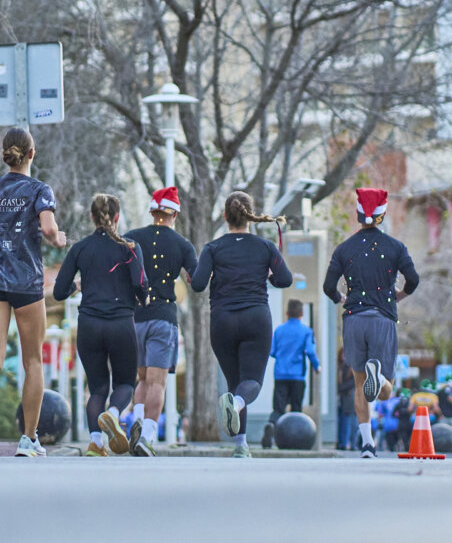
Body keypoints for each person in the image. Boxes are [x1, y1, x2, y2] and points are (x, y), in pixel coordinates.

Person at [0, 127, 66, 458]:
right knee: (32, 361)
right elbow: (48, 228)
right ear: (32, 154)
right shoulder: (39, 190)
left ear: (4, 154)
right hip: (26, 284)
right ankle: (29, 439)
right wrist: (58, 239)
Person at [190, 191, 292, 458]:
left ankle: (241, 445)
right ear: (250, 216)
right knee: (251, 382)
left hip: (222, 320)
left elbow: (198, 284)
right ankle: (235, 406)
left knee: (234, 381)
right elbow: (285, 279)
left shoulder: (213, 248)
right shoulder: (265, 247)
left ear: (225, 216)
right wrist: (268, 275)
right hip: (256, 318)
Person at [322, 187, 418, 459]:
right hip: (382, 319)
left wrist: (342, 298)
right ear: (382, 215)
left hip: (354, 320)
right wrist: (399, 295)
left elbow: (328, 286)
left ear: (358, 214)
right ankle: (380, 377)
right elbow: (413, 279)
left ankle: (367, 444)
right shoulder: (396, 247)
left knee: (359, 384)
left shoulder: (344, 249)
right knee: (385, 391)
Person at [53, 194, 148, 456]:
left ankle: (96, 443)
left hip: (89, 325)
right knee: (125, 383)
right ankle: (113, 414)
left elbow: (59, 291)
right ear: (117, 217)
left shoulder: (80, 248)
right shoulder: (130, 247)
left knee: (97, 388)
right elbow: (140, 283)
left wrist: (77, 286)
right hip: (120, 324)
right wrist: (143, 299)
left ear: (92, 217)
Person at [124, 186, 197, 456]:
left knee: (142, 379)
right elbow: (197, 280)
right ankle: (147, 436)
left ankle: (138, 420)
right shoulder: (182, 245)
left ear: (153, 212)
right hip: (163, 318)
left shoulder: (132, 238)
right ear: (174, 214)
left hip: (135, 317)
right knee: (157, 382)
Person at [262, 298, 320, 448]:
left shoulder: (279, 330)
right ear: (302, 313)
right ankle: (294, 438)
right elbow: (310, 351)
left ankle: (271, 424)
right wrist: (317, 366)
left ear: (287, 313)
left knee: (278, 408)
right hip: (297, 376)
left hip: (280, 374)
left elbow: (272, 351)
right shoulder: (306, 331)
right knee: (296, 409)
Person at [335, 348, 357, 450]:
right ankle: (344, 443)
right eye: (342, 354)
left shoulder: (352, 369)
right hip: (343, 399)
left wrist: (341, 388)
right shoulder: (340, 368)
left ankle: (350, 443)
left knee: (350, 422)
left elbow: (352, 383)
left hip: (350, 399)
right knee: (344, 422)